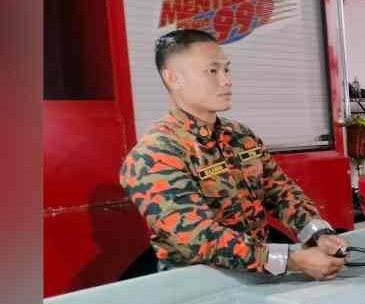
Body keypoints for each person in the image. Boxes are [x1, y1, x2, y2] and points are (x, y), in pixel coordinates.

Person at [120, 29, 348, 280]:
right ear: (173, 78)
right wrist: (290, 261)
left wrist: (317, 233)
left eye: (226, 69)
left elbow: (280, 191)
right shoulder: (154, 154)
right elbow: (198, 237)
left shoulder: (240, 136)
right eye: (212, 71)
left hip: (259, 277)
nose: (226, 80)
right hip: (199, 289)